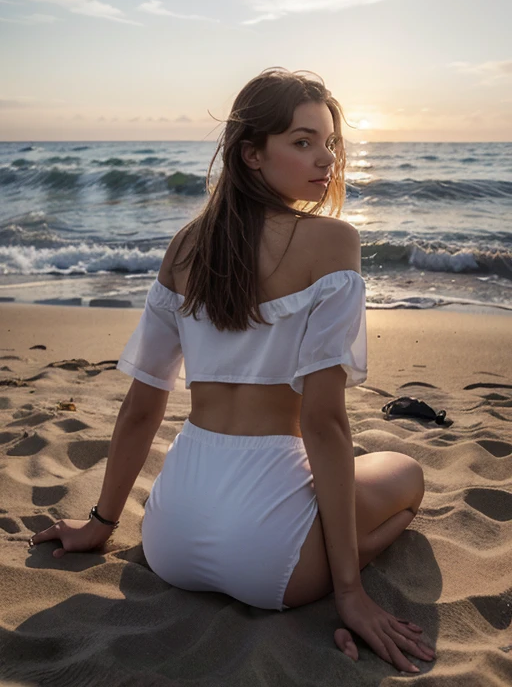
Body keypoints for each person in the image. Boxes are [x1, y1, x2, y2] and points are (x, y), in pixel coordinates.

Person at [29, 67, 435, 674]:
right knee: (405, 476)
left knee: (352, 485)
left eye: (328, 142)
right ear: (251, 153)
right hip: (271, 558)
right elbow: (324, 426)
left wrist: (101, 524)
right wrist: (350, 595)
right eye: (302, 142)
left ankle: (313, 564)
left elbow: (143, 407)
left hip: (168, 537)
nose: (324, 159)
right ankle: (333, 576)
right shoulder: (333, 242)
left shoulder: (186, 246)